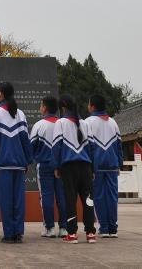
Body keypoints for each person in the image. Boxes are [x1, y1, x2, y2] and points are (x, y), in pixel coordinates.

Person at [0, 81, 32, 244]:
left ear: (1, 93)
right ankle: (18, 232)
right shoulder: (20, 114)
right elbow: (25, 139)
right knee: (18, 200)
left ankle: (9, 234)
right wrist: (27, 160)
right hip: (19, 163)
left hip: (3, 163)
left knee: (6, 199)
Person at [54, 95, 96, 244]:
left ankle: (72, 234)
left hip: (68, 167)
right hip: (86, 167)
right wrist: (92, 169)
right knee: (88, 200)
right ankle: (90, 233)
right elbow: (92, 148)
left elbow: (57, 147)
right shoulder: (85, 124)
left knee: (70, 200)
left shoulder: (60, 123)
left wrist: (56, 166)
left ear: (63, 108)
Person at [85, 94, 124, 238]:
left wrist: (88, 167)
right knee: (112, 197)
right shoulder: (113, 122)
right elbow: (119, 146)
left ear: (92, 106)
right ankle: (113, 228)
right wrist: (119, 164)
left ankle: (105, 228)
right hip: (112, 166)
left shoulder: (88, 122)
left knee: (99, 197)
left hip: (96, 166)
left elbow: (87, 147)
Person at [31, 95, 68, 237]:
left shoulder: (39, 125)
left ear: (45, 108)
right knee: (61, 197)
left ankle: (49, 228)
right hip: (62, 166)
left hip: (44, 165)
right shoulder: (63, 124)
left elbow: (31, 146)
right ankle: (64, 228)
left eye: (41, 105)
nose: (40, 108)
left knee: (46, 197)